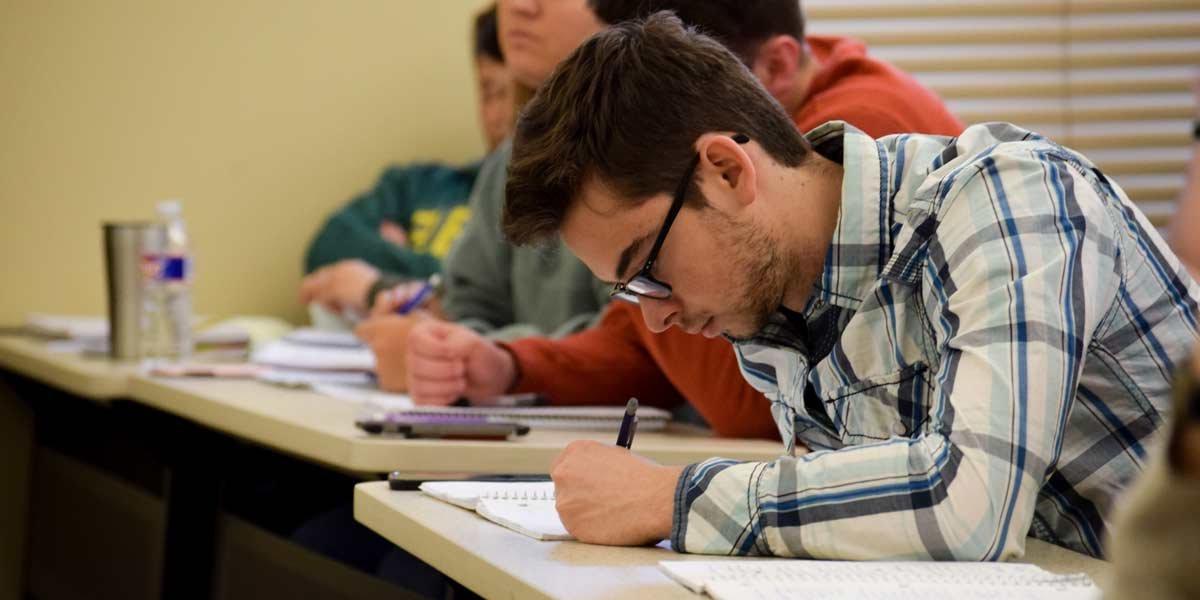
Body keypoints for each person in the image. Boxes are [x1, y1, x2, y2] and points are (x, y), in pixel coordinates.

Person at [502, 13, 1200, 559]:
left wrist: (674, 499)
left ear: (725, 170)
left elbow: (968, 508)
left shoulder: (1008, 196)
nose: (654, 320)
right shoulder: (775, 321)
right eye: (629, 292)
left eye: (646, 268)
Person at [400, 0, 964, 443]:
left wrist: (672, 500)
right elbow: (639, 345)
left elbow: (745, 407)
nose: (520, 8)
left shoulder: (863, 147)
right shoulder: (732, 233)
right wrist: (510, 366)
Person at [298, 4, 513, 319]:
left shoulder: (534, 207)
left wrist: (382, 278)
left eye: (517, 93)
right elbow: (326, 250)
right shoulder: (418, 185)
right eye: (489, 91)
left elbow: (503, 299)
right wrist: (439, 281)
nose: (501, 116)